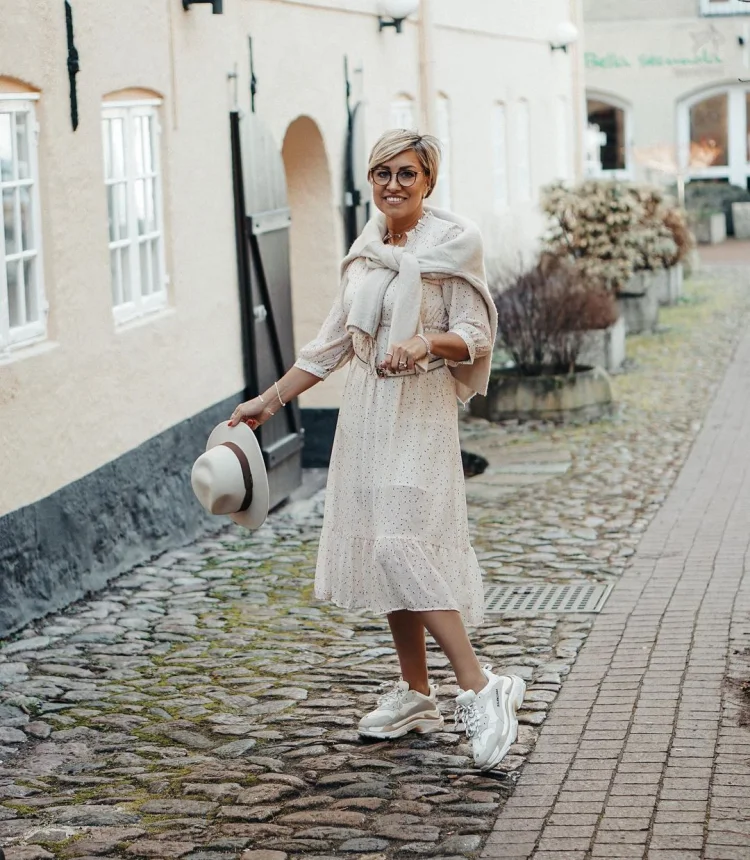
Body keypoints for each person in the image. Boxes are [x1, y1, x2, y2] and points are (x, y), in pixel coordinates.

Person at [229, 129, 525, 770]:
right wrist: (267, 402)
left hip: (418, 410)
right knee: (380, 546)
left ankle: (481, 686)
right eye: (382, 173)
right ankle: (416, 692)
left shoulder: (451, 249)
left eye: (407, 174)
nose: (393, 185)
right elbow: (329, 346)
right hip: (365, 414)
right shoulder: (366, 253)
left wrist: (422, 344)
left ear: (429, 182)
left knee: (399, 543)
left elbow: (474, 335)